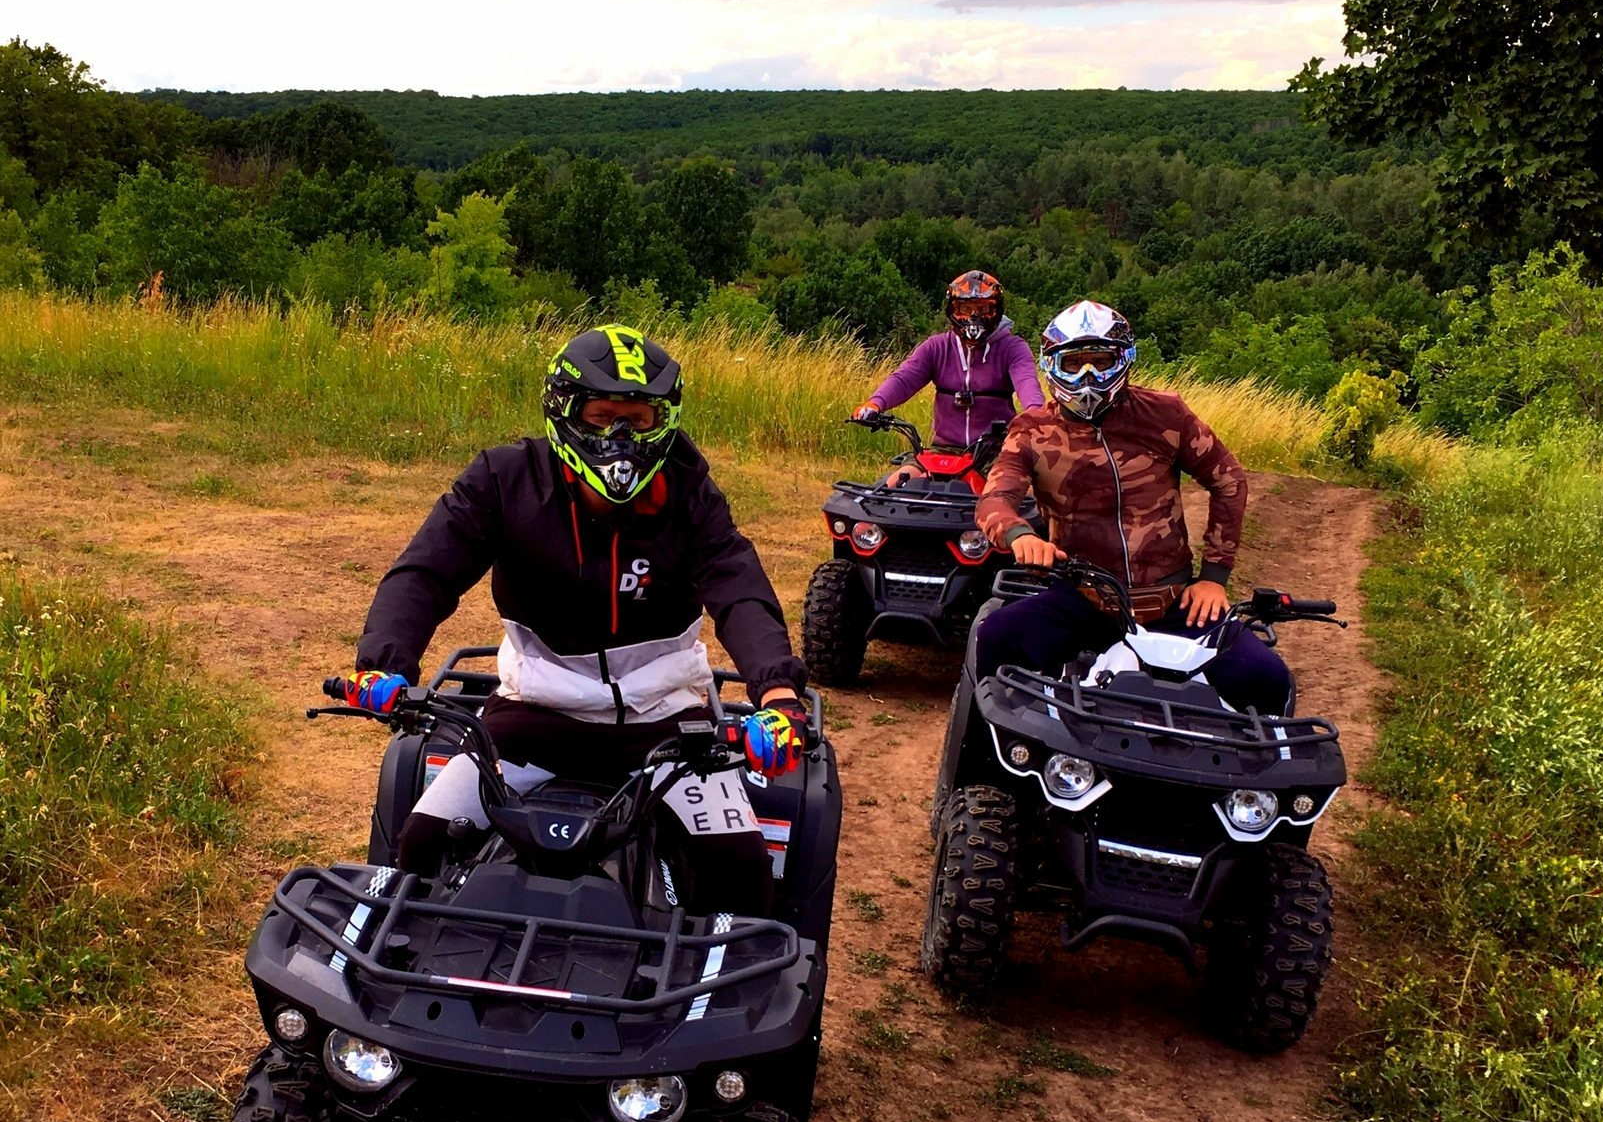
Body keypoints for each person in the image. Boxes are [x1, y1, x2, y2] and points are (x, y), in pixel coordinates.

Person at [343, 324, 808, 916]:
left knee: (740, 871)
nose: (619, 437)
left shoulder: (691, 493)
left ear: (664, 423)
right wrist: (385, 664)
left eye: (638, 421)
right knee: (424, 843)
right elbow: (426, 572)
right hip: (535, 715)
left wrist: (779, 691)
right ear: (565, 412)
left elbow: (739, 588)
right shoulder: (503, 479)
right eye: (601, 416)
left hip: (665, 722)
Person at [973, 300, 1291, 714]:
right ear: (1052, 365)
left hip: (1172, 598)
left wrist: (1214, 577)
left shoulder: (1166, 414)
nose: (1087, 375)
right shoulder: (1032, 430)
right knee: (996, 637)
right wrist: (1020, 535)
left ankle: (1252, 778)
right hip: (1082, 596)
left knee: (1266, 677)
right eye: (1074, 363)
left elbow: (1228, 480)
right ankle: (996, 767)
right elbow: (995, 498)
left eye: (1099, 361)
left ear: (1122, 360)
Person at [852, 271, 1046, 458]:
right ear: (952, 310)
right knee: (898, 484)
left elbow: (1027, 382)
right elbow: (904, 379)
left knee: (1003, 490)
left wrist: (1036, 413)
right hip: (943, 451)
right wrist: (875, 404)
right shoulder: (936, 347)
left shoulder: (1012, 347)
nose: (973, 317)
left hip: (995, 453)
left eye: (983, 308)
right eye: (964, 309)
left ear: (996, 311)